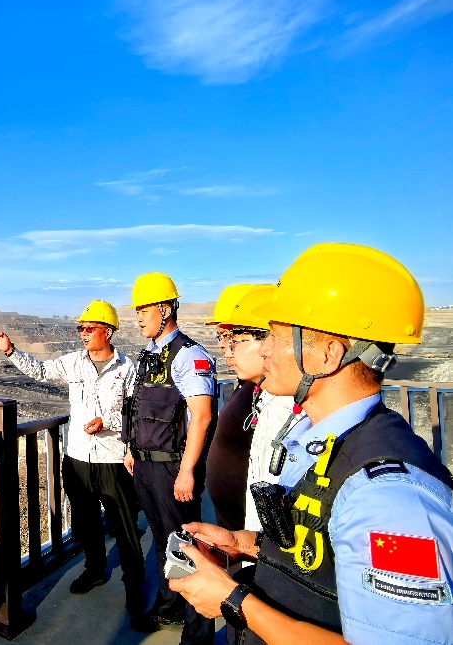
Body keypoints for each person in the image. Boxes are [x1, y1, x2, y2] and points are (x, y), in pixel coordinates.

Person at [169, 243, 453, 645]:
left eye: (277, 335)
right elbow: (321, 553)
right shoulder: (323, 443)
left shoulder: (390, 499)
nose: (264, 347)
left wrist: (235, 602)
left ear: (327, 354)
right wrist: (246, 544)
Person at [0, 300, 147, 614]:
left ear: (108, 331)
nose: (83, 333)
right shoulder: (73, 362)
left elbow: (136, 413)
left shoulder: (128, 369)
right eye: (80, 328)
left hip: (113, 460)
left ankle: (133, 585)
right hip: (77, 458)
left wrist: (107, 422)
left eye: (90, 328)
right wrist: (10, 350)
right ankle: (95, 570)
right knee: (86, 521)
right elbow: (41, 371)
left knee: (125, 526)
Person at [121, 273, 217, 643]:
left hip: (174, 467)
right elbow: (140, 408)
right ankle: (169, 609)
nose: (138, 317)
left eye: (144, 309)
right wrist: (133, 449)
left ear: (164, 309)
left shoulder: (189, 355)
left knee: (186, 548)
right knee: (164, 542)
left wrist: (188, 471)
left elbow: (202, 416)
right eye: (137, 310)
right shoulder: (151, 354)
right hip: (146, 465)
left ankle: (197, 634)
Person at [218, 284, 300, 534]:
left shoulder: (280, 409)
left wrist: (254, 544)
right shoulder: (263, 399)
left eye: (236, 340)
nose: (229, 348)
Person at [205, 283, 261, 532]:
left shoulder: (272, 395)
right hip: (235, 524)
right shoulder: (248, 386)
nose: (224, 345)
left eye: (231, 336)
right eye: (221, 337)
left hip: (249, 527)